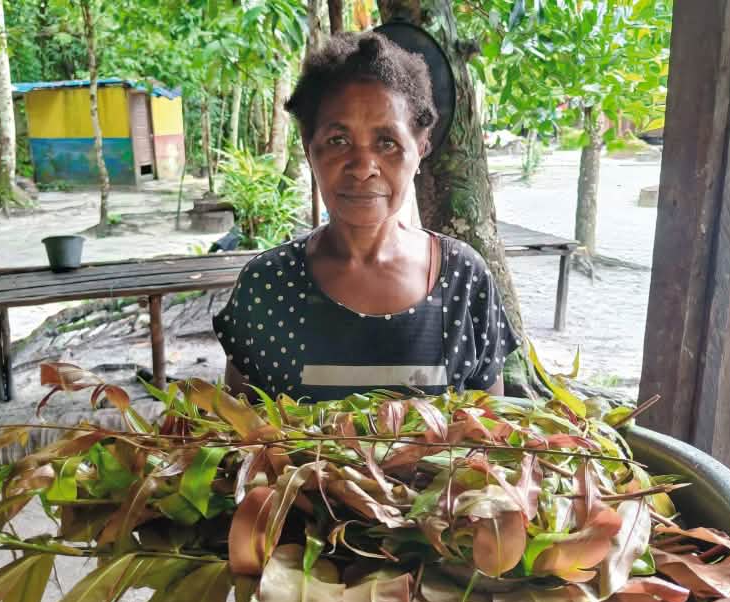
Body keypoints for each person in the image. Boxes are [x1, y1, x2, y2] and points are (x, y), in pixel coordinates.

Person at [213, 31, 517, 402]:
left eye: (387, 143)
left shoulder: (464, 279)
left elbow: (491, 427)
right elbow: (239, 427)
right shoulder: (267, 286)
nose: (362, 167)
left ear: (420, 149)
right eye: (338, 141)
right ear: (310, 150)